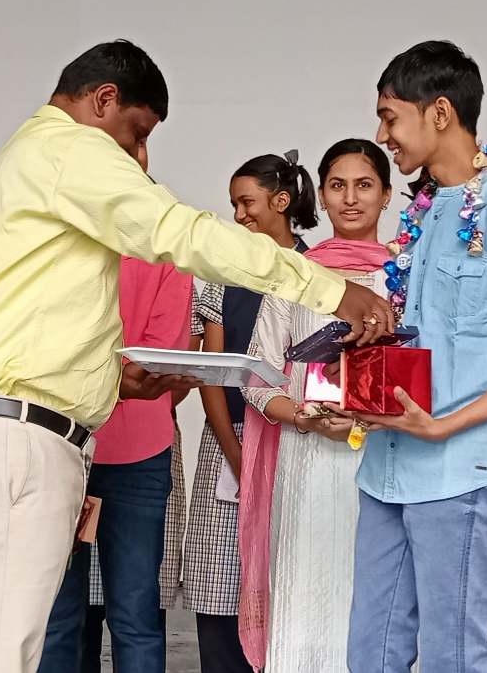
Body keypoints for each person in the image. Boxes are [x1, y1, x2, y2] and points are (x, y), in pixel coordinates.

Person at [0, 39, 395, 671]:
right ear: (103, 100)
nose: (140, 157)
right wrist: (332, 290)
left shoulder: (25, 156)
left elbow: (32, 321)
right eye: (137, 134)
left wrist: (114, 381)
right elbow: (182, 233)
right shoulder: (71, 150)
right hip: (17, 438)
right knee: (3, 650)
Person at [339, 40, 487, 673]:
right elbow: (421, 339)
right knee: (370, 652)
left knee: (454, 655)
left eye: (390, 117)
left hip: (457, 468)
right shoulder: (419, 213)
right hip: (386, 464)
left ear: (439, 112)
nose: (381, 135)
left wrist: (445, 425)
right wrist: (356, 374)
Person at [224, 144, 370, 670]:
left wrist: (373, 414)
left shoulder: (406, 275)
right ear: (321, 197)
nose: (350, 198)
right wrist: (304, 417)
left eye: (364, 185)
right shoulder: (299, 275)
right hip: (306, 462)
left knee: (373, 599)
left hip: (384, 460)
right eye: (337, 186)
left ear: (386, 195)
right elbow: (256, 377)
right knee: (304, 594)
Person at [182, 146, 321, 673]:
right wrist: (237, 457)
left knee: (288, 578)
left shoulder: (316, 271)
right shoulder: (224, 273)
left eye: (247, 202)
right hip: (230, 439)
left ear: (281, 202)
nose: (238, 215)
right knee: (219, 581)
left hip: (297, 438)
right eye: (234, 205)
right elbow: (214, 374)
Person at [40, 249, 195, 673]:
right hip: (78, 446)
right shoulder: (162, 254)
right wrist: (117, 378)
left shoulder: (161, 255)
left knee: (86, 616)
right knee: (120, 617)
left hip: (95, 443)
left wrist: (84, 377)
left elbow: (156, 362)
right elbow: (150, 364)